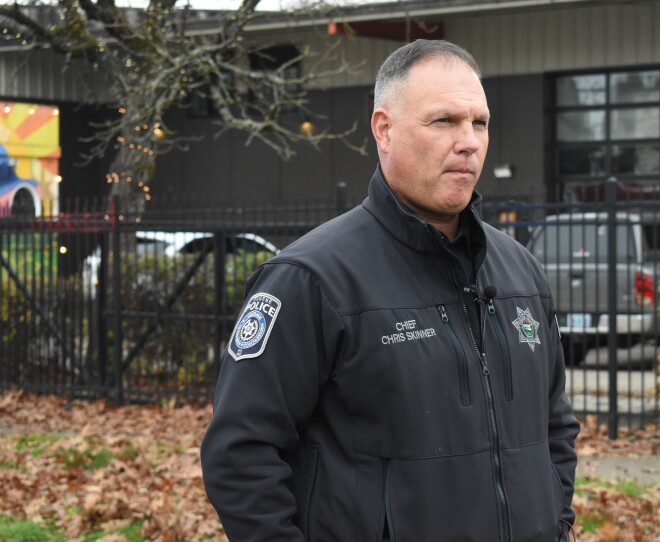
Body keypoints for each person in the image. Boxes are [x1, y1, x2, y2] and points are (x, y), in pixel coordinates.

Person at [201, 39, 580, 541]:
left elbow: (555, 428)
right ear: (384, 129)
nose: (468, 141)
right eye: (444, 121)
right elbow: (240, 453)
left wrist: (556, 521)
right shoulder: (311, 279)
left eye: (479, 123)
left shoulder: (521, 274)